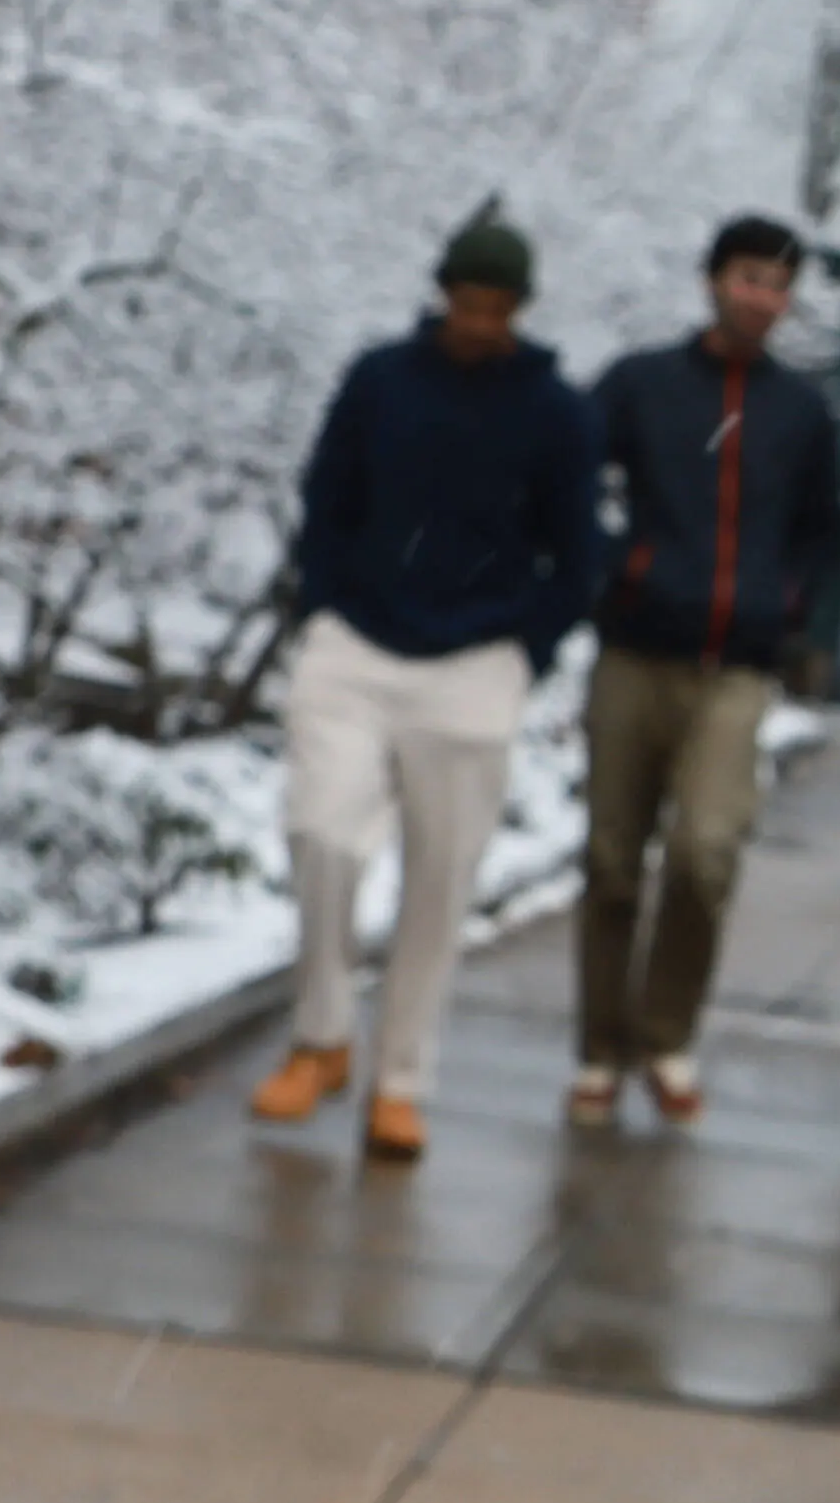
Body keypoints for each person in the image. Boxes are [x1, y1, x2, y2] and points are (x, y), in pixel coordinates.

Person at [252, 212, 589, 1160]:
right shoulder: (381, 382)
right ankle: (321, 1037)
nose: (481, 321)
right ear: (444, 295)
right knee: (323, 831)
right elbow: (327, 497)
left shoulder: (556, 411)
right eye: (468, 302)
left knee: (442, 880)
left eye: (498, 307)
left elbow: (577, 551)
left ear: (519, 310)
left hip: (477, 659)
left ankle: (402, 1081)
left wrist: (529, 646)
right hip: (358, 641)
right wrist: (323, 601)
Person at [566, 211, 840, 1124]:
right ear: (713, 281)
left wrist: (792, 605)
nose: (762, 298)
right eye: (748, 278)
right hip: (635, 651)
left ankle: (668, 1033)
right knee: (613, 858)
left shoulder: (801, 411)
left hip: (737, 665)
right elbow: (568, 477)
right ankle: (599, 1049)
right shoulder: (644, 385)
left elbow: (822, 530)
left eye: (778, 284)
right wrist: (615, 565)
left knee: (704, 850)